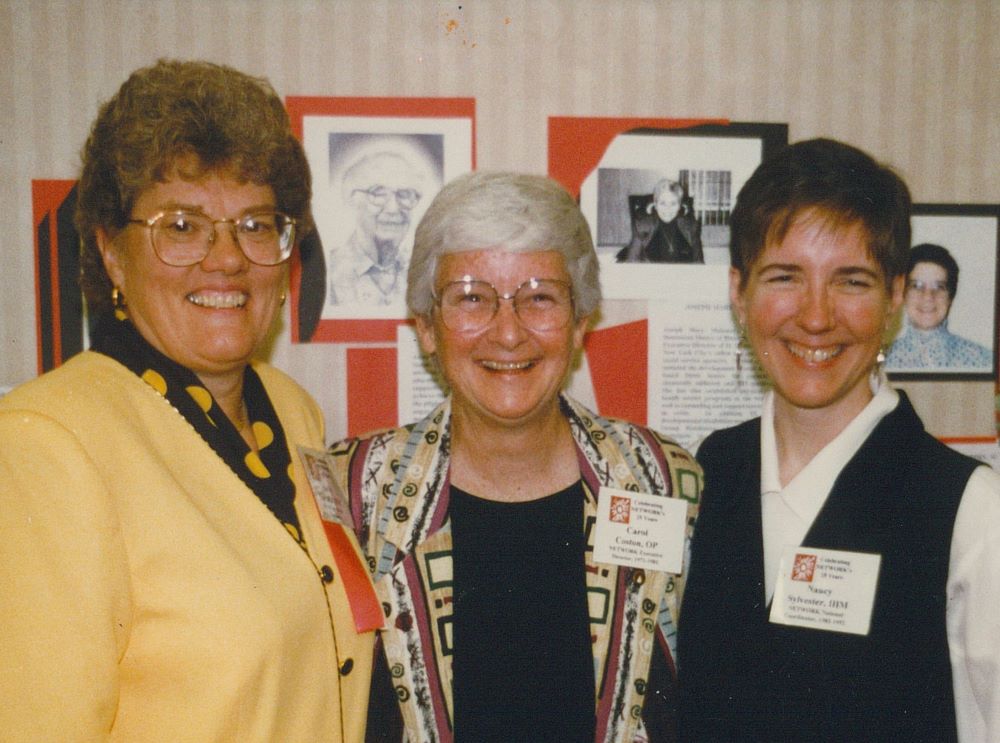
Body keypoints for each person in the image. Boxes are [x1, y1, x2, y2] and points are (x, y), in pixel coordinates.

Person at [0, 59, 380, 741]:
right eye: (182, 226)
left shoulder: (292, 410)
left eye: (256, 224)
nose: (226, 257)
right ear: (111, 251)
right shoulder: (47, 443)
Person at [328, 171, 702, 742]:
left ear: (581, 322)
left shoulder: (664, 480)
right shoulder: (353, 495)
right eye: (473, 298)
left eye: (539, 298)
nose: (508, 333)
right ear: (427, 327)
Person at [676, 138, 1000, 742]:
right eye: (784, 277)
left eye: (851, 281)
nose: (817, 316)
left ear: (895, 297)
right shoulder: (708, 470)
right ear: (738, 292)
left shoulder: (971, 509)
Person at [327, 150, 427, 307]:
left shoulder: (423, 272)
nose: (393, 208)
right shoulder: (328, 272)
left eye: (404, 195)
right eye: (378, 194)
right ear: (351, 199)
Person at [886, 242, 992, 370]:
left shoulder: (983, 360)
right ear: (903, 293)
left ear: (950, 297)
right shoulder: (881, 363)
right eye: (917, 286)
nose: (928, 296)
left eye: (939, 287)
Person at [618, 179, 704, 263]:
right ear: (655, 205)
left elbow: (699, 265)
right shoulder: (642, 226)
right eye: (663, 203)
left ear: (679, 205)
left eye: (673, 203)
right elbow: (631, 263)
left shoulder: (692, 227)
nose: (668, 209)